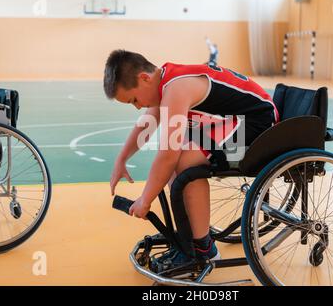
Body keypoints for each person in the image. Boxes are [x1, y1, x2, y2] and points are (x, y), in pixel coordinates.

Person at [103, 49, 279, 268]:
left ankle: (204, 249)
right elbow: (146, 125)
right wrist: (121, 159)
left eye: (134, 100)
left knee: (183, 163)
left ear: (144, 78)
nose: (138, 106)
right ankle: (192, 238)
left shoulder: (176, 89)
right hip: (237, 119)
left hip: (258, 123)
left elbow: (167, 155)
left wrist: (145, 200)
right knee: (177, 161)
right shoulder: (165, 82)